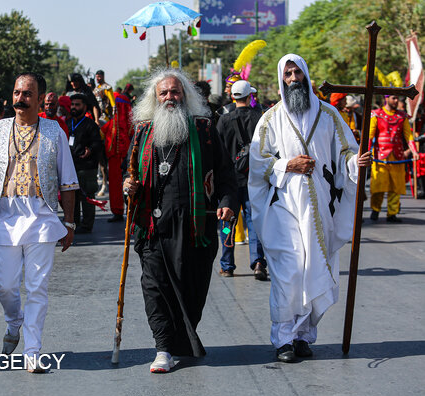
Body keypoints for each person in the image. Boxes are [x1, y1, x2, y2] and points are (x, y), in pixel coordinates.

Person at [248, 54, 372, 363]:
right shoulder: (270, 119)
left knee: (313, 268)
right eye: (287, 73)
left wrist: (353, 163)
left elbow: (345, 151)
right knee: (289, 273)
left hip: (319, 209)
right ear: (282, 79)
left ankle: (303, 336)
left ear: (306, 75)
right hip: (283, 207)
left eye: (297, 72)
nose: (293, 78)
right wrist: (287, 164)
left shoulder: (329, 115)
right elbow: (257, 161)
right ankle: (283, 339)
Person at [123, 69, 237, 373]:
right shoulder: (143, 132)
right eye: (164, 93)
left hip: (195, 227)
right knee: (154, 286)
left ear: (185, 96)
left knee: (192, 288)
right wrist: (127, 186)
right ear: (154, 98)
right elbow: (130, 173)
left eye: (175, 92)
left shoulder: (203, 129)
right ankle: (163, 348)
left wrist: (226, 203)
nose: (170, 98)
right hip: (152, 226)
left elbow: (226, 174)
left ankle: (178, 341)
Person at [0, 73, 78, 373]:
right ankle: (13, 321)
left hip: (41, 217)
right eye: (17, 92)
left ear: (40, 98)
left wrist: (69, 224)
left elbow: (69, 182)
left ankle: (32, 351)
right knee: (5, 286)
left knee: (37, 287)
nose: (20, 98)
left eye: (27, 93)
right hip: (3, 216)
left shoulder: (54, 132)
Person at [216, 80, 268, 280]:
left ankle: (227, 265)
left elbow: (217, 153)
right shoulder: (260, 118)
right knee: (254, 222)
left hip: (228, 183)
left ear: (233, 97)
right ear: (250, 97)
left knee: (227, 222)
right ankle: (258, 263)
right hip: (254, 180)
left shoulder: (222, 120)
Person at [369, 95, 419, 222]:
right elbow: (369, 136)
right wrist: (366, 151)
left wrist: (414, 151)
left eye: (398, 99)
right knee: (378, 186)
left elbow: (409, 136)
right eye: (394, 98)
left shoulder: (402, 116)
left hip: (398, 156)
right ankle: (375, 209)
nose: (396, 101)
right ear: (387, 99)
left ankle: (392, 213)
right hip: (380, 156)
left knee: (395, 187)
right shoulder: (376, 115)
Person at [67, 94, 102, 233]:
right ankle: (73, 223)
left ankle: (87, 225)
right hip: (71, 167)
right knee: (72, 197)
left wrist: (90, 150)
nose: (74, 107)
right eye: (72, 105)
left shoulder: (90, 125)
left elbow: (98, 143)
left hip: (87, 167)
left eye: (77, 105)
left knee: (87, 197)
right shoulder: (68, 123)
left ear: (84, 107)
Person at [101, 91, 132, 222]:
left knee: (130, 184)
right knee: (114, 185)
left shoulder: (132, 124)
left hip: (129, 158)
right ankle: (118, 211)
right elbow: (101, 133)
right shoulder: (112, 122)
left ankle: (131, 210)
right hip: (114, 158)